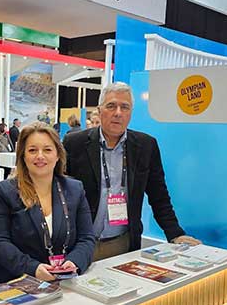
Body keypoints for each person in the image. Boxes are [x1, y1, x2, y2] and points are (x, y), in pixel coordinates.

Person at [63, 82, 200, 261]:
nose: (118, 112)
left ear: (131, 113)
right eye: (111, 106)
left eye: (125, 107)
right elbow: (60, 194)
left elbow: (159, 196)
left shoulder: (145, 146)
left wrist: (175, 233)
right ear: (99, 110)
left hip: (123, 244)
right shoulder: (74, 143)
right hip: (79, 245)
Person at [0, 122, 95, 283]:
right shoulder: (5, 192)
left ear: (58, 155)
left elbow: (87, 238)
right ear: (23, 156)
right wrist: (33, 268)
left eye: (47, 150)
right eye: (32, 150)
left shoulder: (75, 189)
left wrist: (74, 262)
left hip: (66, 282)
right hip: (21, 282)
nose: (40, 156)